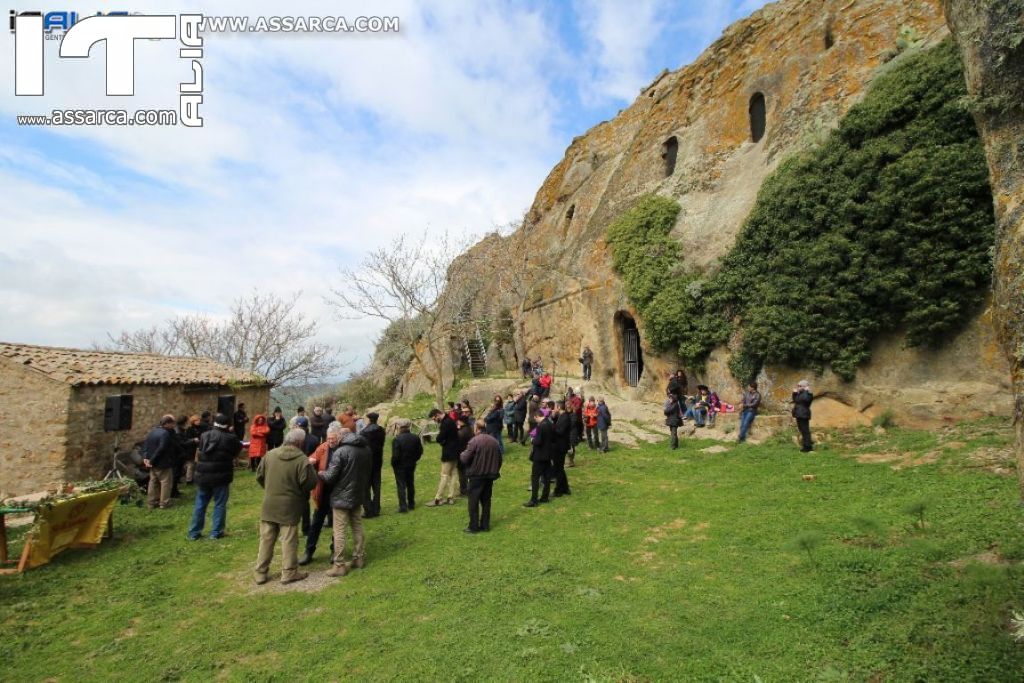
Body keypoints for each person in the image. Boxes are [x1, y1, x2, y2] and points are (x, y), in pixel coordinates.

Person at [254, 428, 318, 585]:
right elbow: (310, 483)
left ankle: (260, 572)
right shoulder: (302, 460)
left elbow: (259, 476)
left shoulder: (270, 455)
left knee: (266, 539)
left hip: (270, 504)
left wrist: (270, 488)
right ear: (299, 442)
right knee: (289, 540)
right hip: (291, 506)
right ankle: (289, 572)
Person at [317, 426, 372, 577]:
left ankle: (339, 565)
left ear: (342, 436)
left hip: (341, 497)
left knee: (339, 530)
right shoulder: (366, 449)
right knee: (357, 526)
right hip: (357, 493)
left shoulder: (341, 452)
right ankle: (358, 558)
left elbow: (330, 477)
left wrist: (320, 472)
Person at [189, 413, 240, 540]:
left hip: (203, 475)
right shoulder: (230, 438)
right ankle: (216, 532)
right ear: (228, 425)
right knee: (219, 504)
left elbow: (200, 451)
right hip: (221, 476)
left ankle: (194, 533)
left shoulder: (204, 435)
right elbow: (236, 452)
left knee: (200, 504)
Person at [300, 422, 340, 566]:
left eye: (333, 439)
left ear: (339, 437)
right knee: (316, 522)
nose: (330, 441)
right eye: (329, 438)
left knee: (337, 524)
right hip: (323, 491)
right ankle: (308, 551)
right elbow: (313, 458)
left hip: (338, 492)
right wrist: (310, 461)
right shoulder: (323, 448)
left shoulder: (343, 449)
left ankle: (335, 551)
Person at [460, 419, 503, 533]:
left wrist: (462, 454)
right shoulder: (494, 441)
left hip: (476, 476)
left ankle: (473, 526)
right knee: (486, 501)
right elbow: (499, 459)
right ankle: (485, 525)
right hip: (490, 476)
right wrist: (494, 470)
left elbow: (465, 458)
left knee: (473, 502)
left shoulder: (474, 441)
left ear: (477, 429)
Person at [143, 415, 177, 509]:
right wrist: (152, 459)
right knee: (166, 482)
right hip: (163, 462)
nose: (173, 426)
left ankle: (151, 502)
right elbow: (161, 448)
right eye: (172, 424)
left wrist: (146, 458)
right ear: (167, 424)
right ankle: (164, 503)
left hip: (152, 462)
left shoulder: (152, 431)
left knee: (153, 482)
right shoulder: (165, 433)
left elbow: (146, 445)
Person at [427, 408, 460, 507]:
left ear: (437, 414)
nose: (435, 420)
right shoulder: (451, 420)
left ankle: (438, 498)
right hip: (455, 452)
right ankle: (450, 497)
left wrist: (441, 440)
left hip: (448, 453)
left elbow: (439, 438)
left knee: (444, 475)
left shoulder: (445, 423)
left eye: (434, 418)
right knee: (453, 474)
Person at [524, 404, 555, 507]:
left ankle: (534, 500)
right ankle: (545, 497)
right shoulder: (549, 423)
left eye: (535, 418)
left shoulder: (541, 426)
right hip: (548, 455)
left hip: (540, 456)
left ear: (537, 416)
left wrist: (533, 440)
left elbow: (538, 441)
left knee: (535, 478)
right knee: (546, 477)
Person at [391, 419, 423, 513]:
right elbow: (420, 451)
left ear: (399, 428)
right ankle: (411, 504)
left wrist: (394, 464)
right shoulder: (415, 437)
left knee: (401, 485)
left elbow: (395, 455)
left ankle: (403, 506)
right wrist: (414, 459)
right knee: (410, 483)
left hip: (400, 465)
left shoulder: (397, 439)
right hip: (411, 463)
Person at [360, 412, 386, 518]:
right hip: (378, 460)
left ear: (369, 419)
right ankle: (376, 508)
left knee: (366, 486)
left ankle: (368, 509)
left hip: (366, 462)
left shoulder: (363, 432)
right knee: (377, 485)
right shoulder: (381, 431)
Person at [551, 401, 572, 496]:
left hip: (561, 447)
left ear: (559, 407)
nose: (554, 408)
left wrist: (552, 426)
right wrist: (553, 417)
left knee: (558, 468)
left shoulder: (566, 417)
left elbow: (560, 431)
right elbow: (557, 424)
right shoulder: (561, 416)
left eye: (555, 407)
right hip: (558, 446)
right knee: (559, 468)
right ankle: (565, 488)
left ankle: (558, 490)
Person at [182, 414, 205, 485]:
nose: (199, 421)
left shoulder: (202, 428)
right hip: (191, 449)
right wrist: (193, 440)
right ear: (193, 421)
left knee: (198, 464)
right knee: (191, 465)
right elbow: (186, 439)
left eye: (199, 420)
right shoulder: (189, 429)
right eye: (197, 420)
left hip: (199, 448)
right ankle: (189, 480)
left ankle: (197, 478)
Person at [792, 380, 814, 452]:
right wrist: (794, 393)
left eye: (800, 386)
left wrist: (807, 391)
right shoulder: (800, 393)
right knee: (801, 430)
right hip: (799, 414)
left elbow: (806, 400)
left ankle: (808, 447)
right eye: (798, 385)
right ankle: (806, 445)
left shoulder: (808, 394)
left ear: (805, 386)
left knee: (805, 430)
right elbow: (796, 401)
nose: (798, 387)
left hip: (804, 414)